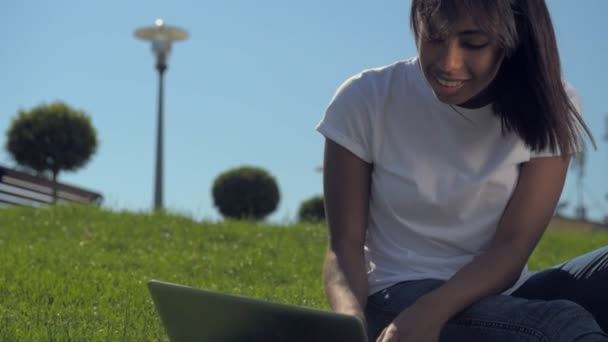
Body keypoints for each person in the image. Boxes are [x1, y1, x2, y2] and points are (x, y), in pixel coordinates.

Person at [316, 0, 607, 341]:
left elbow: (511, 249)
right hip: (396, 299)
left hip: (498, 293)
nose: (448, 63)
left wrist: (434, 310)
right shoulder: (366, 99)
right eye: (434, 37)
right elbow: (344, 246)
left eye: (473, 43)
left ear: (514, 39)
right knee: (558, 327)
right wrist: (352, 325)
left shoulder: (550, 104)